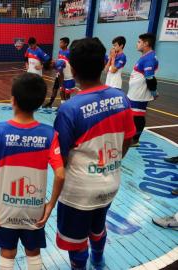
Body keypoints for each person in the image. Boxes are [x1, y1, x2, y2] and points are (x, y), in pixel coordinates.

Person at [54, 37, 135, 269]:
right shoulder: (122, 98)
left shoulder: (70, 109)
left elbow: (62, 156)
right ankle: (98, 261)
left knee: (76, 240)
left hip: (79, 191)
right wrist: (110, 164)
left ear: (73, 68)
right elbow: (128, 140)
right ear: (102, 64)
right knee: (98, 226)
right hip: (110, 183)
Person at [0, 73, 65, 270]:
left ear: (13, 100)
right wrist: (50, 205)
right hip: (34, 207)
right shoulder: (49, 134)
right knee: (33, 251)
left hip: (6, 206)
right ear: (39, 103)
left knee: (7, 251)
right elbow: (61, 174)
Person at [127, 33, 159, 147]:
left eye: (139, 42)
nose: (137, 44)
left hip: (140, 94)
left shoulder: (149, 59)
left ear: (146, 44)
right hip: (135, 92)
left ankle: (135, 140)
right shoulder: (146, 56)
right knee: (134, 115)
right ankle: (132, 137)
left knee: (138, 116)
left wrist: (154, 92)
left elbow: (150, 78)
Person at [44, 37, 71, 108]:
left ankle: (66, 106)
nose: (60, 44)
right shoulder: (60, 51)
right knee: (55, 89)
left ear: (66, 44)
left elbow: (70, 63)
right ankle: (50, 103)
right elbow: (59, 63)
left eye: (61, 42)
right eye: (60, 42)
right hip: (59, 73)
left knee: (65, 90)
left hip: (66, 75)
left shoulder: (69, 52)